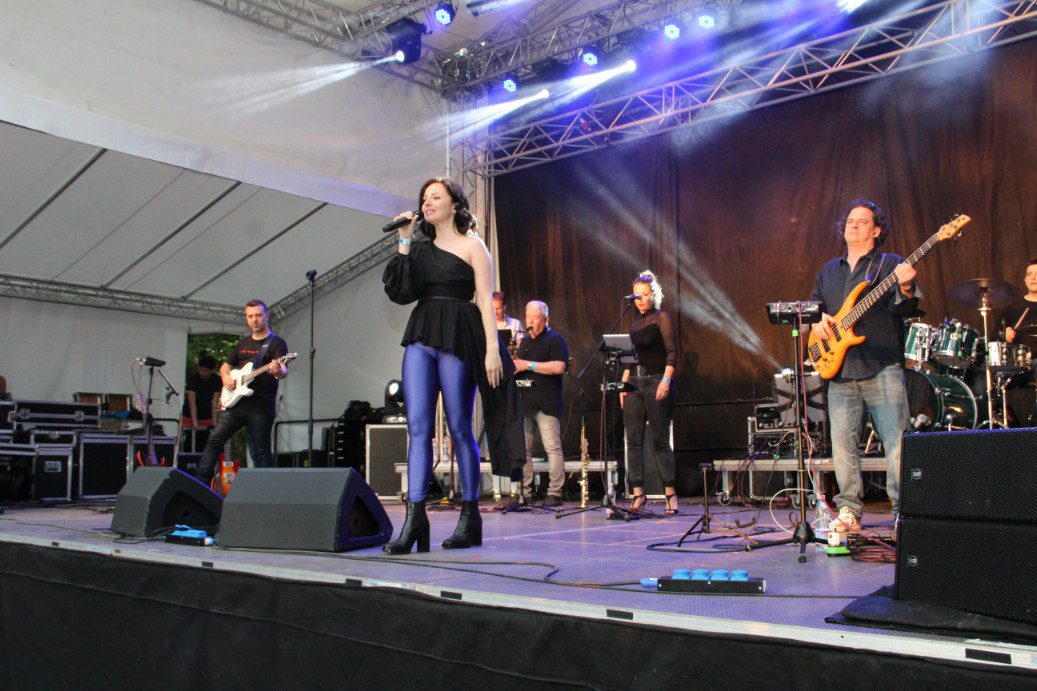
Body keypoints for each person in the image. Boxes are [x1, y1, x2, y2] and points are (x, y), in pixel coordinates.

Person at [382, 178, 524, 554]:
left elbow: (485, 302)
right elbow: (401, 293)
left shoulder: (473, 246)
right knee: (417, 427)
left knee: (459, 425)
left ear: (454, 205)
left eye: (435, 197)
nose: (427, 202)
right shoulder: (419, 249)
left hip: (460, 332)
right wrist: (404, 240)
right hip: (423, 330)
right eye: (424, 198)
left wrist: (492, 350)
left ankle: (470, 516)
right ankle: (414, 518)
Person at [810, 199, 919, 532]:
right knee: (843, 447)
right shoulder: (829, 270)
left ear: (877, 230)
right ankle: (848, 511)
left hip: (881, 365)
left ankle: (904, 512)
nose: (853, 225)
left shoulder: (891, 264)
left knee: (896, 444)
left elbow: (905, 308)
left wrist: (906, 286)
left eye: (862, 221)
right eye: (850, 221)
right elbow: (814, 308)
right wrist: (817, 320)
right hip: (840, 368)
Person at [195, 300, 289, 485]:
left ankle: (265, 489)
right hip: (235, 405)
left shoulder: (277, 343)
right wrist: (225, 378)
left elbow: (283, 371)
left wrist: (277, 370)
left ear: (266, 316)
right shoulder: (243, 343)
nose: (254, 320)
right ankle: (200, 482)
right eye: (250, 316)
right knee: (214, 439)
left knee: (261, 453)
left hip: (261, 407)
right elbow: (225, 366)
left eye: (258, 315)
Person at [620, 271, 679, 515]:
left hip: (656, 379)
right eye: (636, 296)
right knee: (633, 441)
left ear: (653, 294)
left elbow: (672, 351)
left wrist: (666, 379)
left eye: (644, 295)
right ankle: (638, 494)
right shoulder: (635, 323)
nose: (640, 300)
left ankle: (670, 494)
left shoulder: (661, 318)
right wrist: (623, 384)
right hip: (634, 382)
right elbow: (629, 357)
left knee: (659, 440)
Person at [513, 301, 569, 506]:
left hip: (547, 403)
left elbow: (559, 367)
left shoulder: (555, 340)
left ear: (546, 320)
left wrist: (528, 365)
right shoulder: (524, 342)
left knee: (552, 448)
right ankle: (525, 492)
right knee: (524, 450)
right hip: (525, 403)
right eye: (528, 317)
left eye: (535, 317)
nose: (530, 321)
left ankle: (555, 493)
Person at [1000, 258, 1037, 425]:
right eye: (1029, 274)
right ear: (1024, 279)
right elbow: (994, 336)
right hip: (1016, 363)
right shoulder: (1013, 308)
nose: (1033, 277)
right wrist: (1004, 334)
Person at [181, 354, 221, 430]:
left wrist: (214, 424)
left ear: (211, 371)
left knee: (207, 435)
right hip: (189, 416)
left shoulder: (217, 380)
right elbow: (192, 403)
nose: (201, 373)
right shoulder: (193, 379)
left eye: (205, 370)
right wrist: (195, 425)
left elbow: (214, 403)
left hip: (207, 417)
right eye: (200, 369)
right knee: (190, 435)